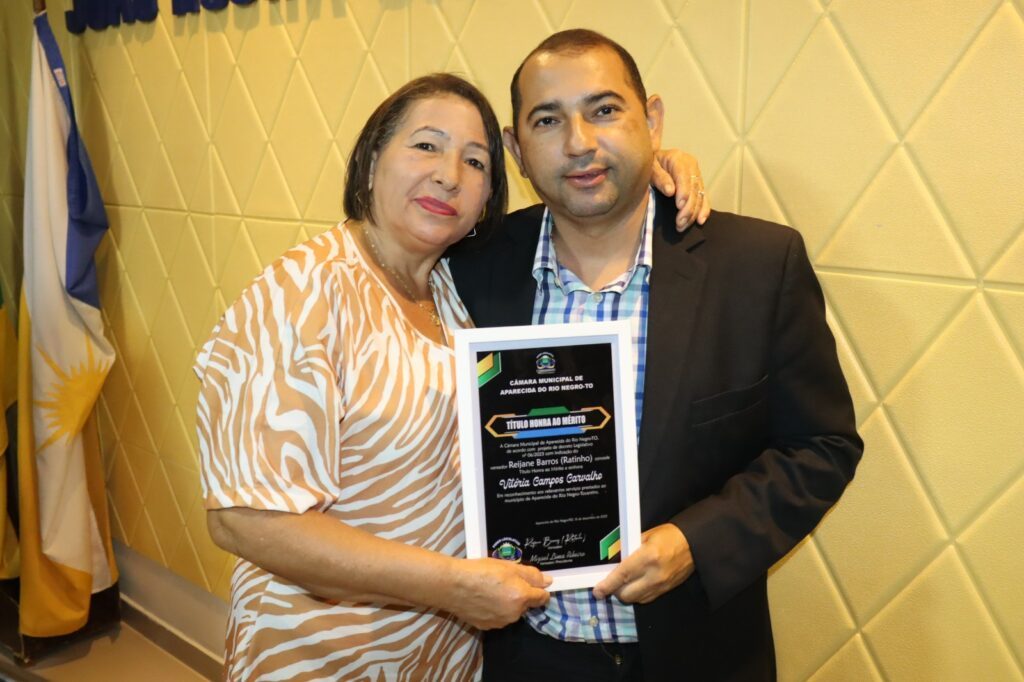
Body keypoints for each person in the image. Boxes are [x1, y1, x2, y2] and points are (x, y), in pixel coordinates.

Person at [194, 72, 708, 681]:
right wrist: (451, 586)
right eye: (426, 146)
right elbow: (243, 519)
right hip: (326, 651)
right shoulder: (301, 294)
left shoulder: (448, 283)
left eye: (475, 161)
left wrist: (649, 163)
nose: (449, 175)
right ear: (371, 160)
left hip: (445, 651)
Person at [448, 30, 863, 681]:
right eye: (548, 120)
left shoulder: (756, 265)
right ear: (516, 148)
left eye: (605, 110)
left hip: (698, 656)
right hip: (524, 658)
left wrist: (697, 542)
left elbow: (821, 447)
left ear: (653, 120)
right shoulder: (468, 268)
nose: (579, 142)